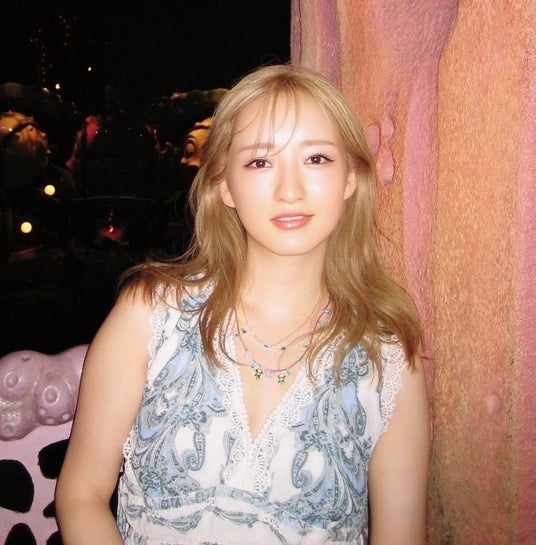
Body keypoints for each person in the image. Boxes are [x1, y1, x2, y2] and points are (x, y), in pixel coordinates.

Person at [55, 63, 430, 545]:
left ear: (350, 179)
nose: (290, 190)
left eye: (316, 158)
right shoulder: (150, 315)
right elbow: (82, 495)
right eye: (260, 162)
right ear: (224, 184)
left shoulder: (388, 357)